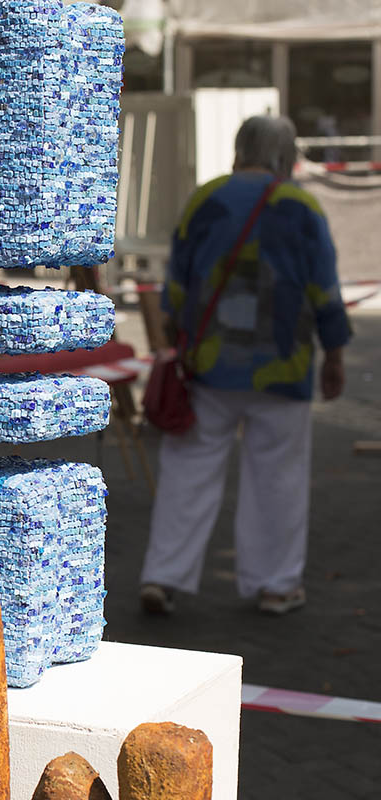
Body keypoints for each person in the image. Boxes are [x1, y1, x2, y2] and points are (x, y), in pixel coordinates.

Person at [139, 116, 352, 618]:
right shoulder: (302, 208)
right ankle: (276, 585)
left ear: (239, 150)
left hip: (208, 365)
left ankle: (163, 576)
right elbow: (324, 290)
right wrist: (336, 353)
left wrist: (177, 341)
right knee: (277, 477)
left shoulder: (205, 199)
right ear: (286, 154)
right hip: (284, 364)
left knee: (188, 471)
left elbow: (176, 286)